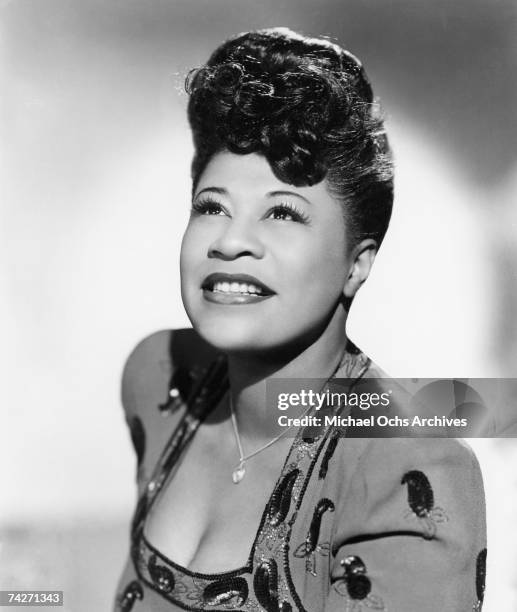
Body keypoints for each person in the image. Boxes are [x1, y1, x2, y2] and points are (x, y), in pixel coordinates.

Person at [114, 27, 487, 612]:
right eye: (212, 206)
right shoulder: (160, 379)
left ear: (357, 266)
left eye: (283, 213)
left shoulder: (408, 471)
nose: (232, 240)